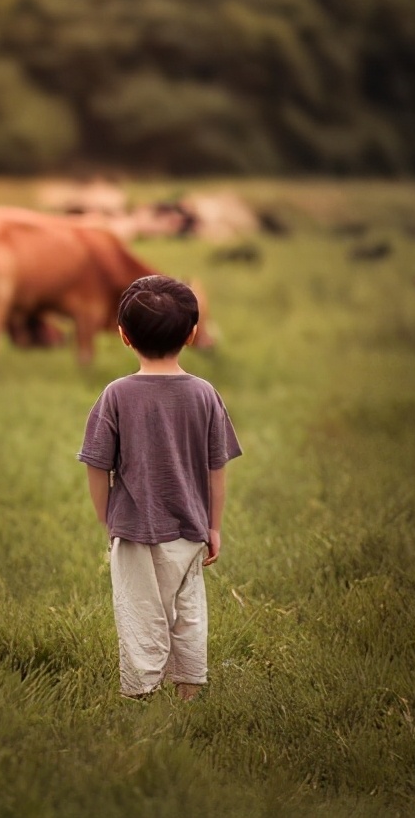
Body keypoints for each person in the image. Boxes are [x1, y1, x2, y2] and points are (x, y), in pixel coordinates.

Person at [77, 275, 242, 700]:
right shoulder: (205, 393)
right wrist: (213, 526)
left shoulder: (116, 395)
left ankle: (141, 694)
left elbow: (97, 466)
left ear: (123, 335)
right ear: (191, 334)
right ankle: (189, 694)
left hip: (134, 532)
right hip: (190, 529)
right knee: (188, 614)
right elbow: (217, 467)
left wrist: (107, 520)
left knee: (139, 614)